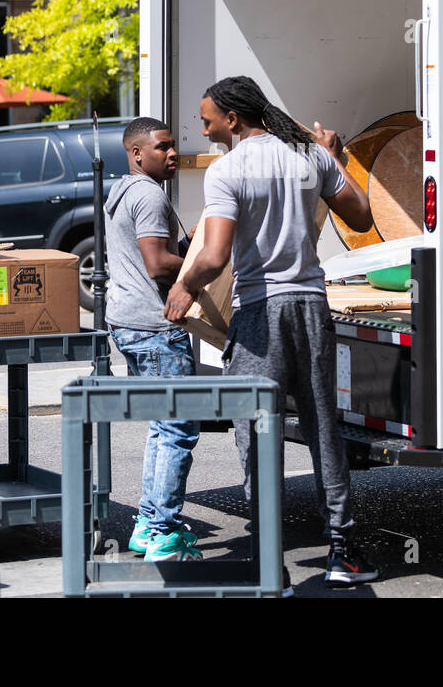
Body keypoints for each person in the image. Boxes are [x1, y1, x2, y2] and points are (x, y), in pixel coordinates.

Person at [164, 76, 380, 588]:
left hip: (261, 312)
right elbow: (362, 213)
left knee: (256, 429)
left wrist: (185, 288)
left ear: (233, 120)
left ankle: (268, 558)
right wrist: (335, 159)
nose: (204, 126)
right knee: (322, 425)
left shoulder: (228, 171)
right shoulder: (310, 158)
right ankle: (342, 551)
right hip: (311, 305)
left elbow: (214, 257)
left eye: (207, 118)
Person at [105, 116, 201, 562]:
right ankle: (161, 532)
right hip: (155, 327)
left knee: (163, 427)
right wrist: (203, 264)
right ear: (138, 153)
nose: (172, 153)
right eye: (162, 147)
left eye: (173, 145)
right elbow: (159, 264)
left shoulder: (124, 190)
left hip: (128, 323)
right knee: (179, 429)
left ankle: (148, 524)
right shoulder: (147, 195)